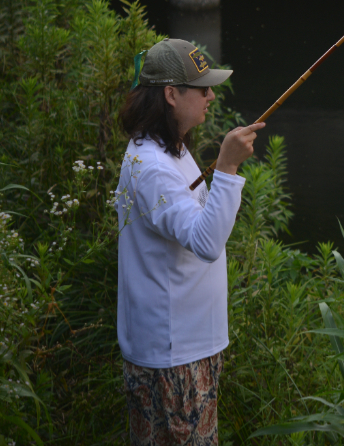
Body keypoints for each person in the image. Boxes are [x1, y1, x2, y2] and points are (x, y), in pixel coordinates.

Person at [114, 38, 264, 446]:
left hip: (182, 347)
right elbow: (205, 241)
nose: (211, 95)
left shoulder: (167, 149)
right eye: (202, 88)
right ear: (171, 94)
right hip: (175, 356)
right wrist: (228, 167)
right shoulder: (153, 167)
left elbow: (193, 223)